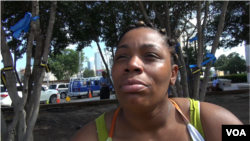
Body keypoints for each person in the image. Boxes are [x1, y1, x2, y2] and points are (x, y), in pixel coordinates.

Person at [71, 21, 242, 141]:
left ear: (173, 74)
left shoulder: (220, 122)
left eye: (151, 55)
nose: (132, 64)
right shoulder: (87, 137)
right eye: (122, 57)